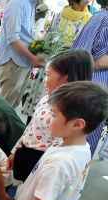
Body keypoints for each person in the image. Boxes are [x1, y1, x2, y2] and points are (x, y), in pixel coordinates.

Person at [9, 49, 94, 182]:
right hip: (25, 152)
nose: (44, 79)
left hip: (40, 160)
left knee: (27, 190)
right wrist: (15, 151)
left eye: (48, 75)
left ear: (66, 78)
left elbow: (58, 148)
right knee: (19, 186)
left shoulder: (65, 114)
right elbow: (30, 128)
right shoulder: (46, 99)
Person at [73, 0, 108, 156]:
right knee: (83, 139)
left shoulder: (99, 17)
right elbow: (93, 60)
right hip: (92, 88)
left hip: (86, 85)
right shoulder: (104, 19)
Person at [0, 0, 44, 108]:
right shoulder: (17, 3)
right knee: (3, 107)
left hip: (25, 62)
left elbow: (26, 36)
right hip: (14, 62)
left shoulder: (31, 5)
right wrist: (32, 57)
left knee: (12, 106)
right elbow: (12, 38)